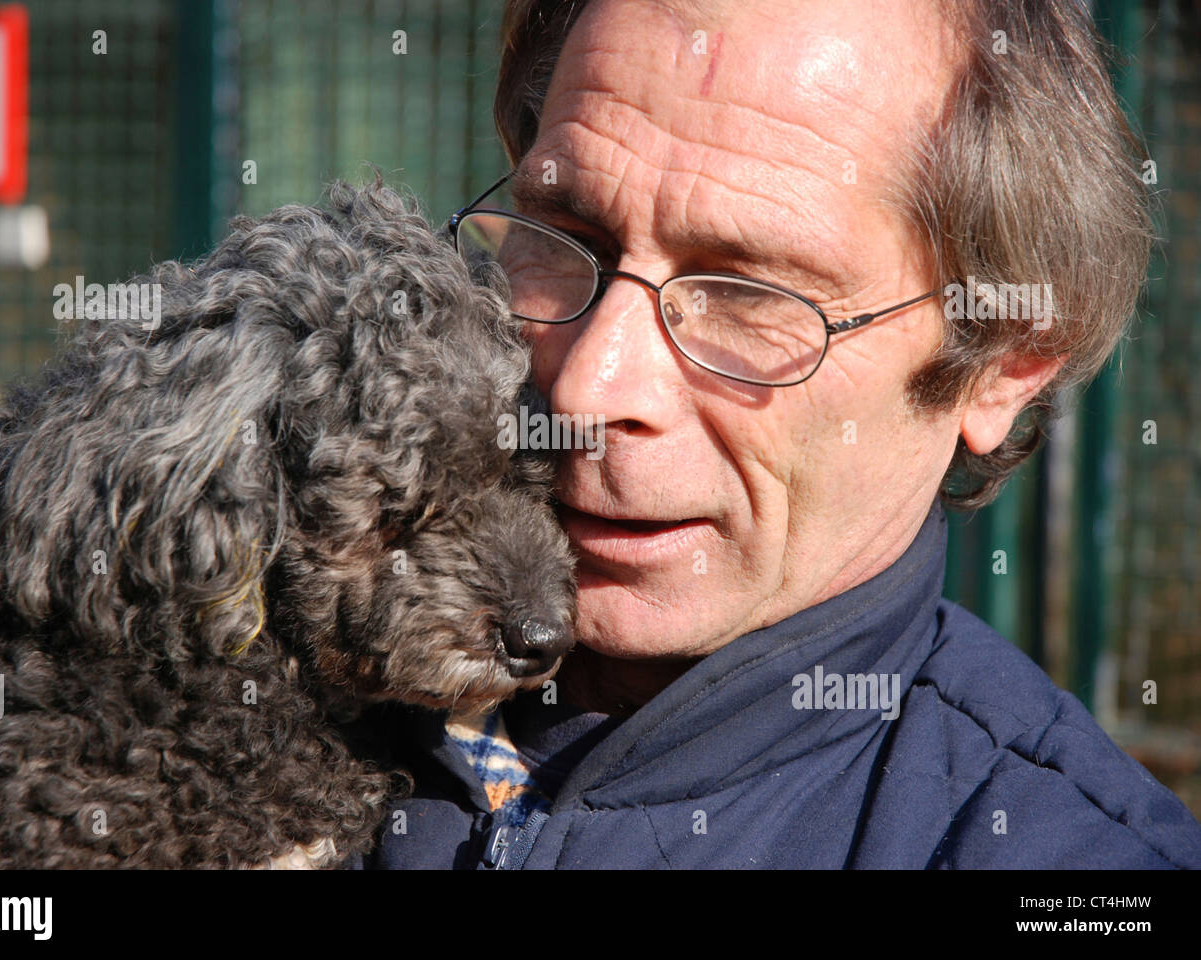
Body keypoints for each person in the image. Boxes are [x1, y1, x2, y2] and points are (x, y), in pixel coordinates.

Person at [355, 0, 1201, 868]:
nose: (589, 385)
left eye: (747, 292)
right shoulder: (258, 653)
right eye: (569, 238)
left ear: (1001, 365)